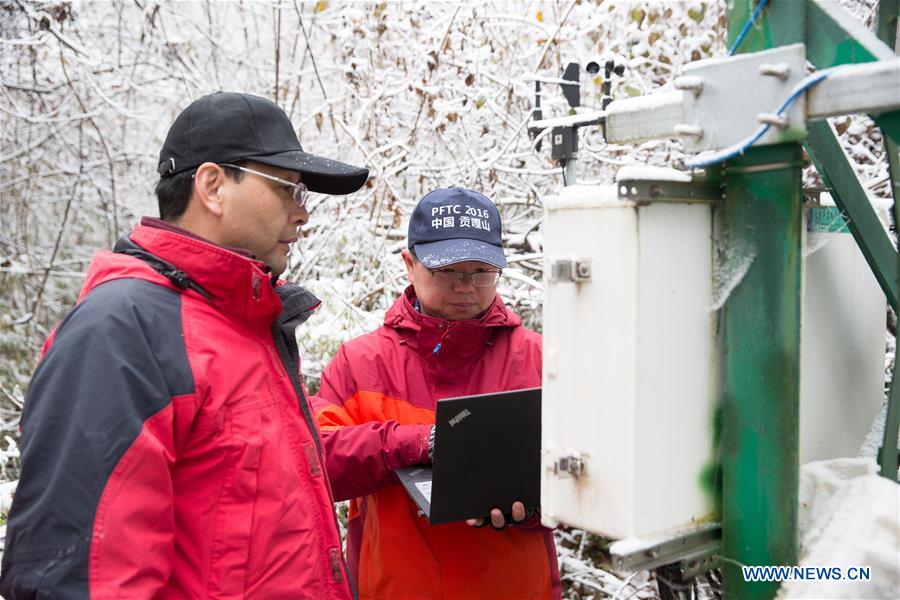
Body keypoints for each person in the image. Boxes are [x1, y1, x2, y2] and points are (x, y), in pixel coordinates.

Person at [0, 92, 369, 598]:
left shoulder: (243, 324)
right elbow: (83, 581)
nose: (301, 214)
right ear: (213, 186)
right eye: (289, 189)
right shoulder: (123, 333)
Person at [313, 187, 561, 599]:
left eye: (481, 272)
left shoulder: (539, 359)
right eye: (447, 271)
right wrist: (416, 443)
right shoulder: (360, 364)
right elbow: (317, 467)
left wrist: (536, 509)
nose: (465, 287)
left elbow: (589, 472)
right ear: (410, 264)